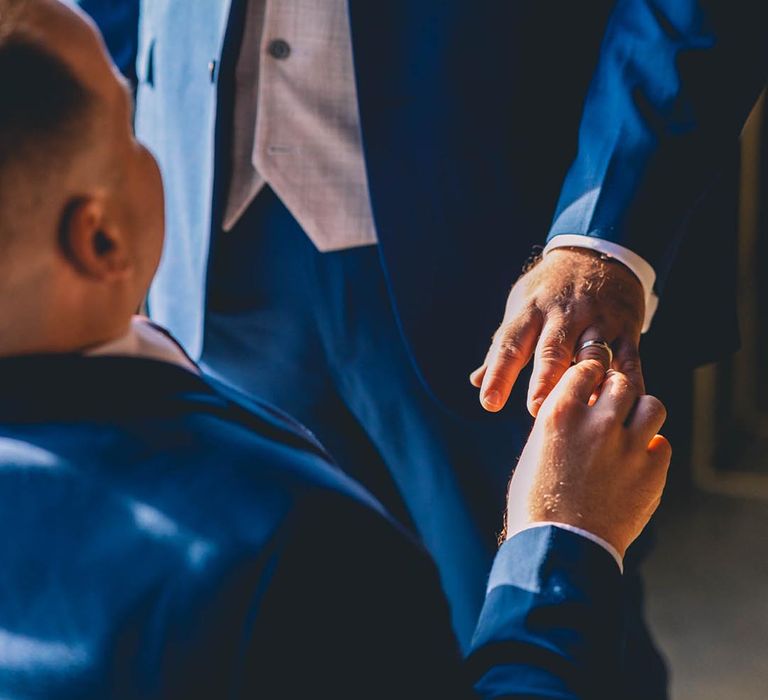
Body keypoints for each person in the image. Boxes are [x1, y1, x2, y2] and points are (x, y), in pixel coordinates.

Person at [0, 1, 672, 697]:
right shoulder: (298, 550)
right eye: (130, 128)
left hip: (482, 237)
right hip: (221, 277)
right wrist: (566, 539)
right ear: (102, 237)